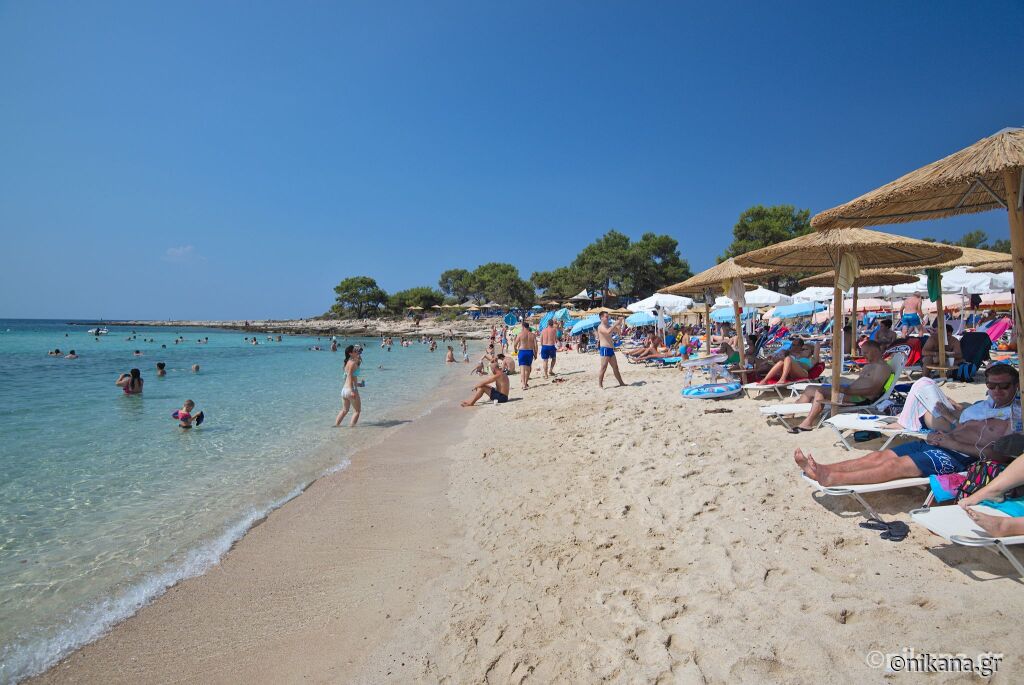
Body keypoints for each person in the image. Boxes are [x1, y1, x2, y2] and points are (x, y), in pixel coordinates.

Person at [795, 364, 1020, 485]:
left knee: (897, 466)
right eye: (992, 386)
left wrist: (951, 443)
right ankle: (825, 469)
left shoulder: (1016, 418)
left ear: (1016, 386)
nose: (997, 391)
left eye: (1004, 386)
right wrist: (944, 425)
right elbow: (962, 426)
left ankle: (832, 478)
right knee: (879, 457)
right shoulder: (981, 407)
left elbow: (1000, 456)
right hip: (940, 442)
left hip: (962, 457)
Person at [787, 340, 892, 433]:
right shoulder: (869, 366)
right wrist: (845, 389)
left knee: (820, 391)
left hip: (859, 398)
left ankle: (807, 423)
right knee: (809, 388)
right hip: (850, 391)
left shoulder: (882, 368)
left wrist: (847, 391)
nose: (863, 355)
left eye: (865, 352)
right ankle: (790, 412)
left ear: (875, 351)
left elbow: (873, 391)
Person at [335, 345, 363, 427]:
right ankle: (352, 430)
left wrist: (358, 384)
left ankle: (336, 426)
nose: (357, 351)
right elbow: (350, 375)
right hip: (350, 390)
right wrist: (352, 390)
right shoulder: (352, 363)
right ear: (350, 353)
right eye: (355, 351)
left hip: (344, 390)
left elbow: (346, 378)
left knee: (344, 410)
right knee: (357, 411)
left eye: (357, 350)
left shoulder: (348, 362)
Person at [596, 312, 626, 388]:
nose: (608, 318)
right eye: (606, 317)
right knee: (603, 368)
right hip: (604, 349)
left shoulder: (608, 326)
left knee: (615, 367)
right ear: (601, 318)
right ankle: (600, 385)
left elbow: (618, 331)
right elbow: (608, 331)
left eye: (608, 316)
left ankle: (621, 383)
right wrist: (615, 324)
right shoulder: (600, 327)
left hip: (610, 349)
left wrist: (620, 323)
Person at [514, 322, 539, 390]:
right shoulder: (533, 335)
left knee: (522, 369)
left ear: (523, 326)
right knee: (528, 369)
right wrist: (535, 354)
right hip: (529, 352)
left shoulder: (520, 334)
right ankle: (525, 383)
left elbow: (515, 344)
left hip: (522, 351)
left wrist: (515, 350)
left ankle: (523, 385)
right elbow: (535, 345)